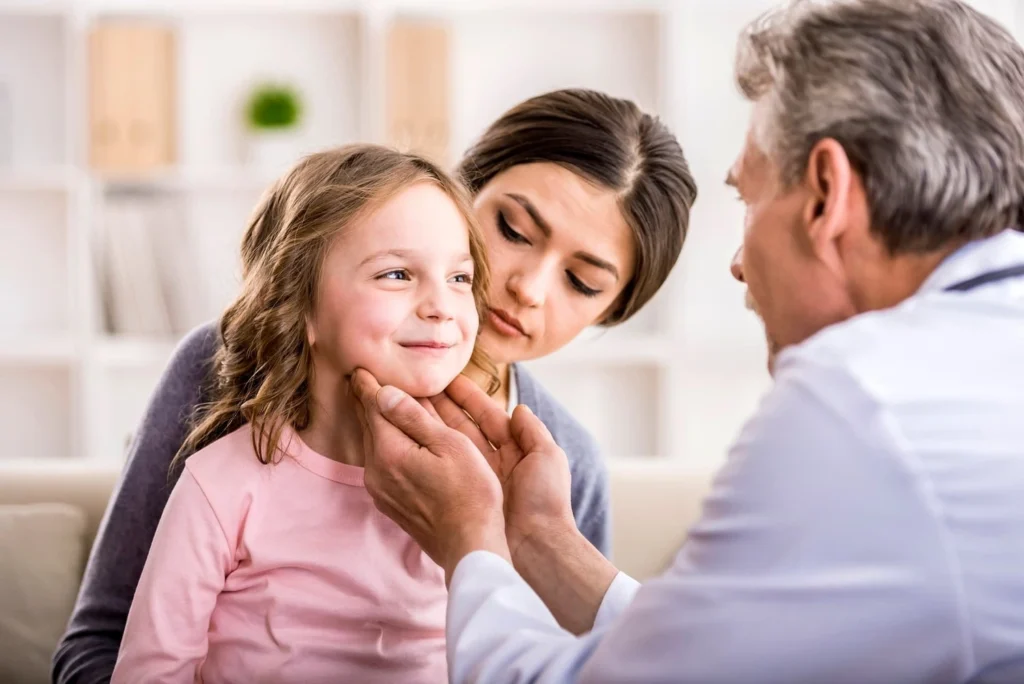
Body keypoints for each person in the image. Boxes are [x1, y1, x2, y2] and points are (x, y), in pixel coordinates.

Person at [349, 1, 1024, 682]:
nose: (737, 261)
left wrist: (472, 542)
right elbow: (740, 658)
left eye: (749, 199)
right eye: (516, 230)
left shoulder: (860, 398)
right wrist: (537, 539)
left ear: (826, 196)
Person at [53, 89, 697, 683]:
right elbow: (99, 647)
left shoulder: (560, 463)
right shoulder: (228, 368)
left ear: (609, 312)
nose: (529, 286)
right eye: (513, 230)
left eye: (582, 283)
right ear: (459, 192)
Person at [109, 144, 500, 682]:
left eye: (460, 278)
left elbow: (516, 657)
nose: (442, 305)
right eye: (397, 274)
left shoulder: (477, 483)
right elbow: (150, 673)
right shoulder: (223, 483)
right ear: (300, 305)